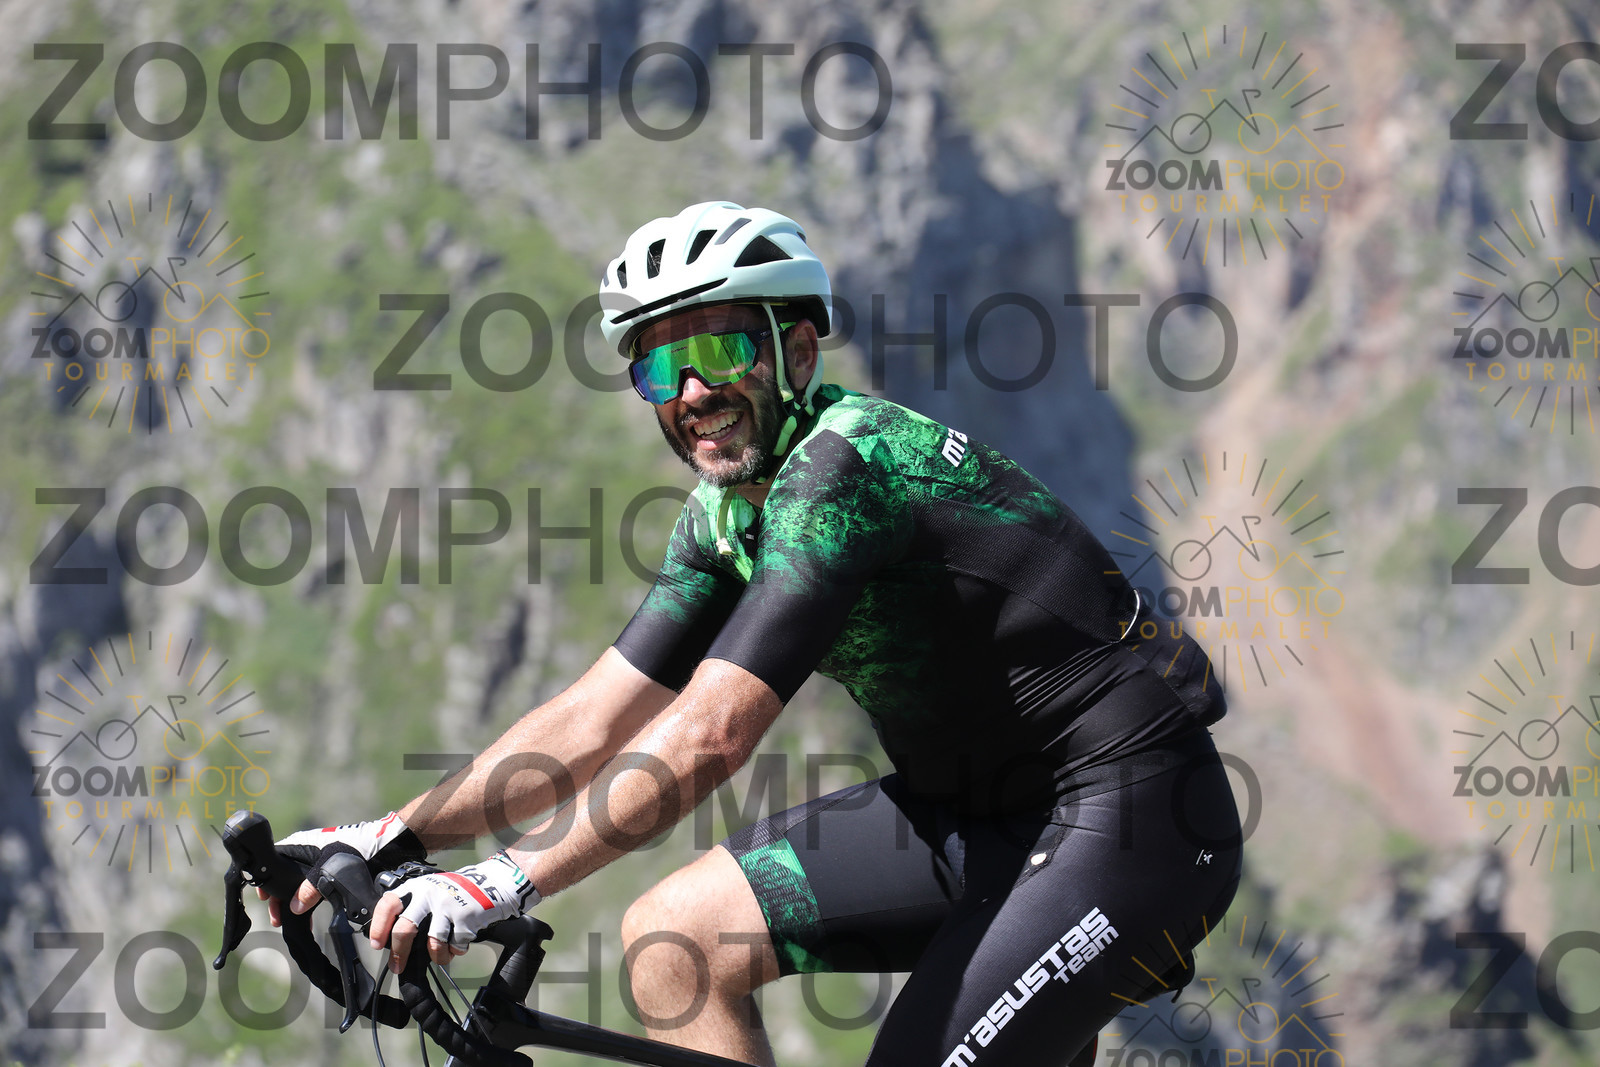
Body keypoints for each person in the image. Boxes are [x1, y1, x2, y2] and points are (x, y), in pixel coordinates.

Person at [265, 202, 1243, 1066]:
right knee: (675, 941)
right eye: (661, 365)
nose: (694, 391)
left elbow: (712, 732)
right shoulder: (725, 515)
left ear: (799, 353)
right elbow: (597, 711)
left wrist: (501, 880)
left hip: (1130, 818)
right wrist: (393, 833)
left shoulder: (844, 470)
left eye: (724, 350)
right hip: (973, 819)